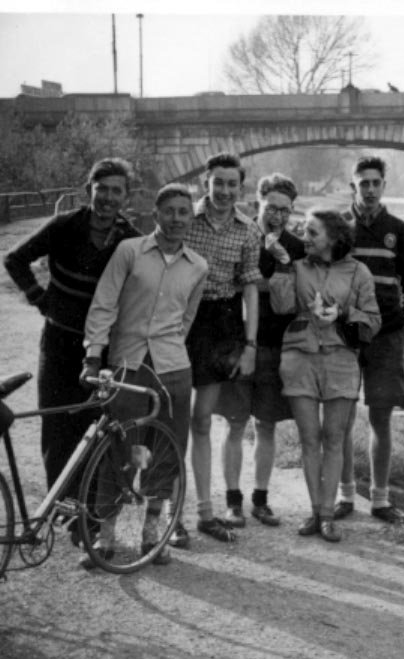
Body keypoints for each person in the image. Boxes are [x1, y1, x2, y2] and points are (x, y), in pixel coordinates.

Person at [80, 183, 208, 567]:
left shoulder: (197, 266)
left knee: (166, 453)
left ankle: (153, 537)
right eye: (169, 211)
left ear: (191, 218)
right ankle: (106, 537)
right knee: (118, 450)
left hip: (173, 371)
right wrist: (93, 356)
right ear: (155, 213)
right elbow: (104, 305)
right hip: (128, 366)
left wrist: (167, 352)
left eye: (183, 212)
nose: (176, 219)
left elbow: (186, 320)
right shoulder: (129, 252)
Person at [3, 158, 140, 491]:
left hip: (103, 349)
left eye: (116, 192)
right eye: (101, 189)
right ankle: (57, 507)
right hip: (59, 341)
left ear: (126, 197)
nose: (108, 198)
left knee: (94, 425)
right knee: (55, 425)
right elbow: (14, 258)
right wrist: (40, 299)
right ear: (87, 190)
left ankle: (86, 515)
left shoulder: (131, 240)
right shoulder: (64, 225)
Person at [269, 209, 381, 542]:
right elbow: (281, 306)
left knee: (334, 438)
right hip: (299, 358)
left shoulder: (359, 272)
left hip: (342, 360)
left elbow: (373, 322)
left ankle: (329, 513)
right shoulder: (297, 266)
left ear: (333, 238)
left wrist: (344, 312)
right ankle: (315, 511)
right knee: (309, 438)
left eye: (313, 232)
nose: (305, 237)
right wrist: (281, 265)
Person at [178, 152, 262, 547]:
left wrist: (249, 344)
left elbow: (249, 286)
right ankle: (171, 512)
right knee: (176, 421)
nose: (225, 191)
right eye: (219, 183)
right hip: (180, 323)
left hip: (222, 325)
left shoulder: (248, 230)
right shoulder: (184, 220)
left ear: (240, 187)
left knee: (203, 418)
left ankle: (205, 511)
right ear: (205, 184)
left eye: (233, 184)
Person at [214, 173, 305, 528]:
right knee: (235, 423)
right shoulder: (241, 235)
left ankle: (261, 499)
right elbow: (227, 285)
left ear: (291, 211)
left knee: (267, 425)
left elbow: (294, 301)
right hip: (239, 344)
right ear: (258, 203)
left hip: (276, 346)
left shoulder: (297, 248)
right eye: (271, 208)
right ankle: (232, 501)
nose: (277, 216)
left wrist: (281, 266)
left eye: (284, 210)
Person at [334, 156, 404, 524]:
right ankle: (345, 494)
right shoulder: (339, 227)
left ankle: (381, 499)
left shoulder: (398, 230)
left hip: (385, 337)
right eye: (362, 183)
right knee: (341, 416)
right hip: (346, 336)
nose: (369, 189)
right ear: (353, 186)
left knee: (380, 418)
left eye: (375, 183)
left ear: (384, 186)